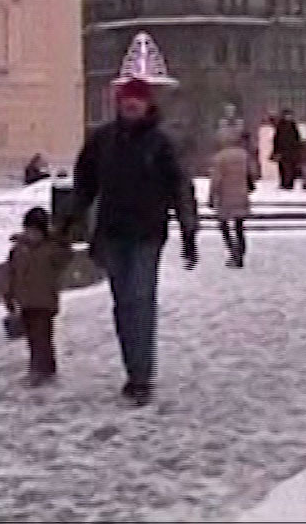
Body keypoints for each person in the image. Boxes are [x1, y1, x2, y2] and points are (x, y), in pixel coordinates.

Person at [60, 77, 200, 407]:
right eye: (126, 101)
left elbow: (180, 189)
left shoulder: (161, 143)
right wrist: (67, 222)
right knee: (123, 304)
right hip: (112, 233)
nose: (130, 105)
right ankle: (133, 371)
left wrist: (188, 233)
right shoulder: (103, 140)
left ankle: (141, 376)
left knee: (140, 300)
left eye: (136, 100)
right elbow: (84, 186)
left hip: (147, 234)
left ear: (147, 103)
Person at [4, 205, 72, 386]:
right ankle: (44, 367)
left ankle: (40, 369)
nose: (31, 234)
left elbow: (64, 258)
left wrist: (61, 241)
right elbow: (11, 273)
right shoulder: (18, 249)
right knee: (33, 337)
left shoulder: (51, 249)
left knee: (42, 336)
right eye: (28, 229)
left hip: (44, 301)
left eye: (35, 230)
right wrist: (9, 296)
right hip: (25, 301)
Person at [208, 123, 252, 268]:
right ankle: (241, 251)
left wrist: (211, 196)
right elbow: (251, 173)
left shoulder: (220, 157)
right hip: (241, 193)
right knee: (239, 226)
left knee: (224, 225)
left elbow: (216, 179)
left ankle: (233, 252)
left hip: (225, 195)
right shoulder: (244, 155)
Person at [271, 110, 305, 190]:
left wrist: (299, 149)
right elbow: (276, 139)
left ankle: (290, 184)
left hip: (292, 152)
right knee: (284, 168)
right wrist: (276, 151)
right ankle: (284, 183)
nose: (288, 117)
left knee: (291, 168)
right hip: (283, 152)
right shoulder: (280, 125)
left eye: (289, 115)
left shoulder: (293, 125)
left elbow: (297, 139)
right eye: (287, 115)